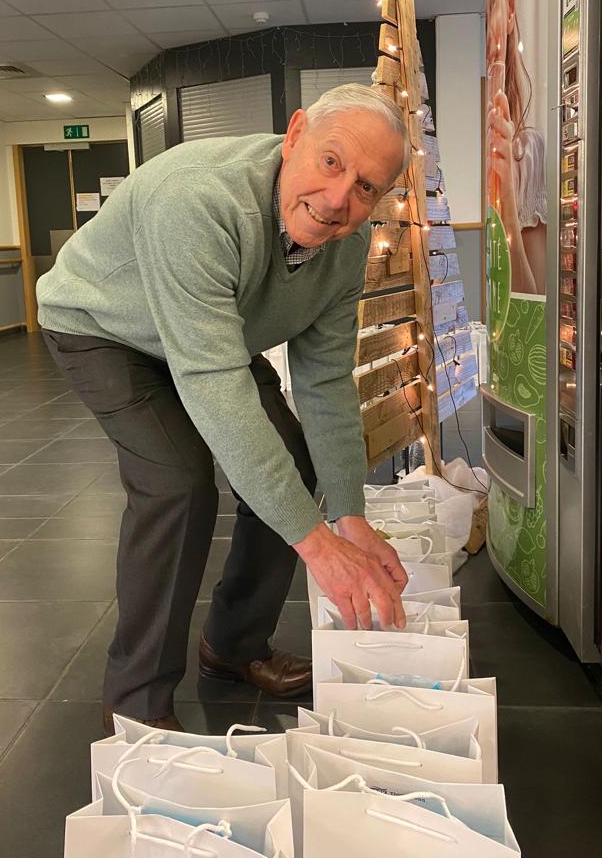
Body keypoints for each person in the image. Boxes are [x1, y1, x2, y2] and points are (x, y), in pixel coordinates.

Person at [36, 84, 411, 734]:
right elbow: (211, 381)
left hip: (209, 335)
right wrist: (316, 546)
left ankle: (235, 644)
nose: (337, 199)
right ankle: (135, 703)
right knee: (176, 484)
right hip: (103, 325)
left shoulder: (348, 249)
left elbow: (324, 379)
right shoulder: (197, 200)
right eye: (331, 162)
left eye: (365, 187)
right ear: (295, 135)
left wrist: (348, 517)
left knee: (291, 460)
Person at [486, 0, 547, 296]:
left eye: (492, 3)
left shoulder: (530, 153)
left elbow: (533, 308)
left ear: (510, 2)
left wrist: (508, 204)